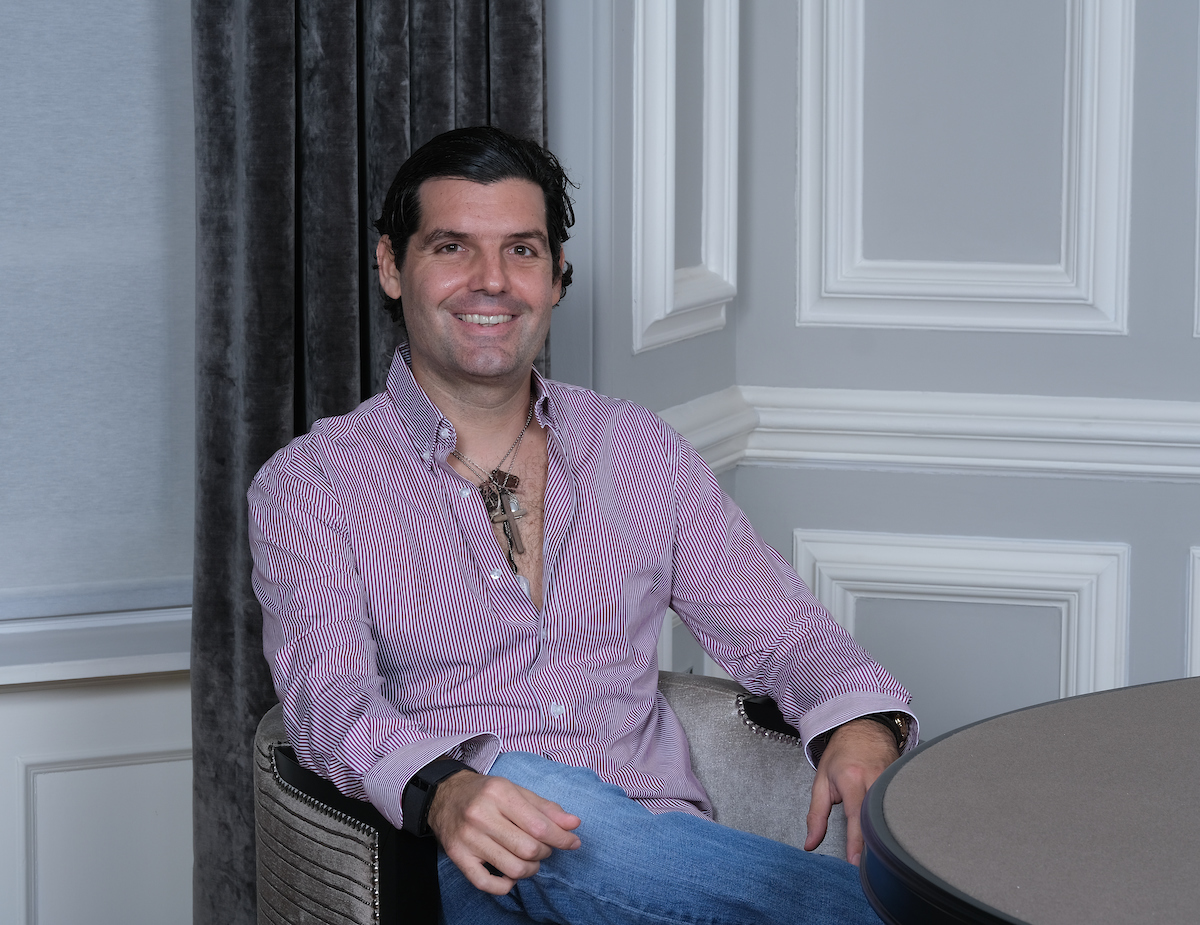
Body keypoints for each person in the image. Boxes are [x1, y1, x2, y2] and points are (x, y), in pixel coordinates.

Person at [249, 126, 917, 924]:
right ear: (394, 267)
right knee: (535, 791)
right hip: (472, 858)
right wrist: (446, 789)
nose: (490, 281)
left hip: (667, 864)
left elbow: (782, 631)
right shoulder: (312, 482)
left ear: (558, 276)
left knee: (572, 805)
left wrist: (862, 722)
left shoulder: (638, 451)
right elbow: (328, 698)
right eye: (454, 247)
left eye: (522, 251)